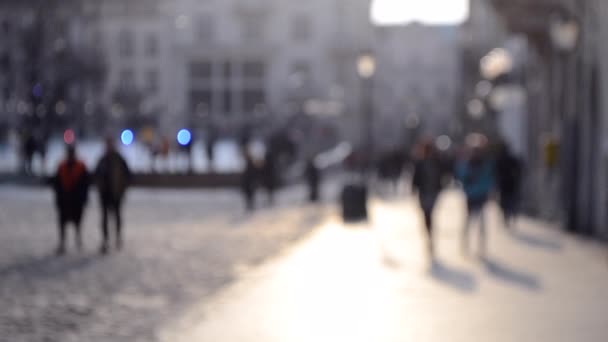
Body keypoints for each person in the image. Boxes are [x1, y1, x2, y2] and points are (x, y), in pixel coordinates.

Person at [455, 140, 495, 257]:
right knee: (468, 222)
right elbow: (461, 176)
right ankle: (465, 245)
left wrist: (486, 190)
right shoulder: (467, 164)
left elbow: (489, 179)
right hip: (471, 196)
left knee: (481, 223)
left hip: (480, 196)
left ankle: (481, 247)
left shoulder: (485, 164)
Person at [95, 137, 131, 254]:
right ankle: (105, 240)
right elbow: (97, 176)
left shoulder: (119, 159)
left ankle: (118, 237)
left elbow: (127, 175)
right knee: (105, 218)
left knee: (117, 217)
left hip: (116, 194)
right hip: (105, 195)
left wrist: (122, 190)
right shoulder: (103, 159)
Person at [52, 144, 90, 255]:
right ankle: (63, 242)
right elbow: (57, 183)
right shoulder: (62, 166)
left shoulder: (80, 166)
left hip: (76, 201)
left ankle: (78, 239)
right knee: (63, 223)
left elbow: (85, 183)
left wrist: (83, 198)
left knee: (77, 222)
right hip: (65, 200)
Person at [412, 139, 443, 258]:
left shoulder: (436, 162)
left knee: (429, 214)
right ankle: (429, 234)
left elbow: (440, 176)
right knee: (426, 215)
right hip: (424, 192)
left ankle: (430, 234)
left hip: (432, 192)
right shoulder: (420, 163)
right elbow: (416, 178)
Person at [496, 142, 523, 228]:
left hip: (505, 184)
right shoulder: (510, 159)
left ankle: (507, 217)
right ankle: (510, 216)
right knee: (510, 201)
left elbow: (496, 173)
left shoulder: (500, 160)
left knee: (506, 202)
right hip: (510, 184)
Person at [241, 147, 258, 211]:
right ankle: (250, 206)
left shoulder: (250, 163)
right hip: (248, 183)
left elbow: (251, 174)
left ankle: (250, 206)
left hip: (249, 183)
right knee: (249, 196)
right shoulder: (249, 163)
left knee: (250, 195)